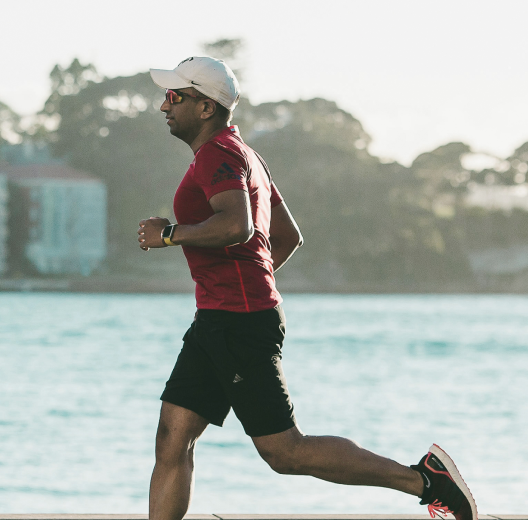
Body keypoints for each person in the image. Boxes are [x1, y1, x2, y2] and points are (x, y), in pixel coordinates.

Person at [136, 56, 478, 520]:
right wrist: (248, 285)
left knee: (285, 451)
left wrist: (170, 234)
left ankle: (424, 480)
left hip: (237, 323)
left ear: (205, 107)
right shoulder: (244, 155)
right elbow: (287, 236)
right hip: (221, 318)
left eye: (175, 96)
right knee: (172, 437)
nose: (164, 105)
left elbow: (237, 225)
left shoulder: (219, 155)